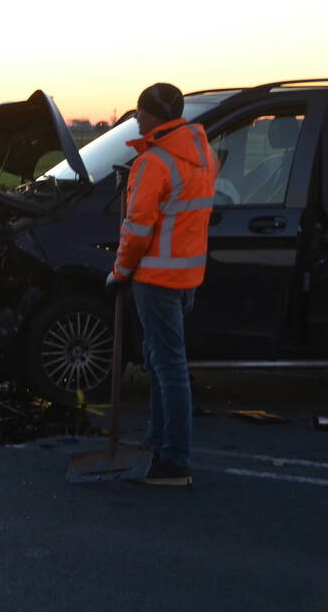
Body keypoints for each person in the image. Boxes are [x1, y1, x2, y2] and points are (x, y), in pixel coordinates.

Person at [106, 83, 217, 487]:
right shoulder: (202, 153)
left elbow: (136, 231)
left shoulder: (153, 163)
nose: (135, 117)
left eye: (139, 111)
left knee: (169, 368)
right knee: (160, 363)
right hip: (187, 275)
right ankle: (156, 443)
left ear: (154, 115)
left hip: (154, 278)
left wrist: (119, 272)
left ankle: (174, 462)